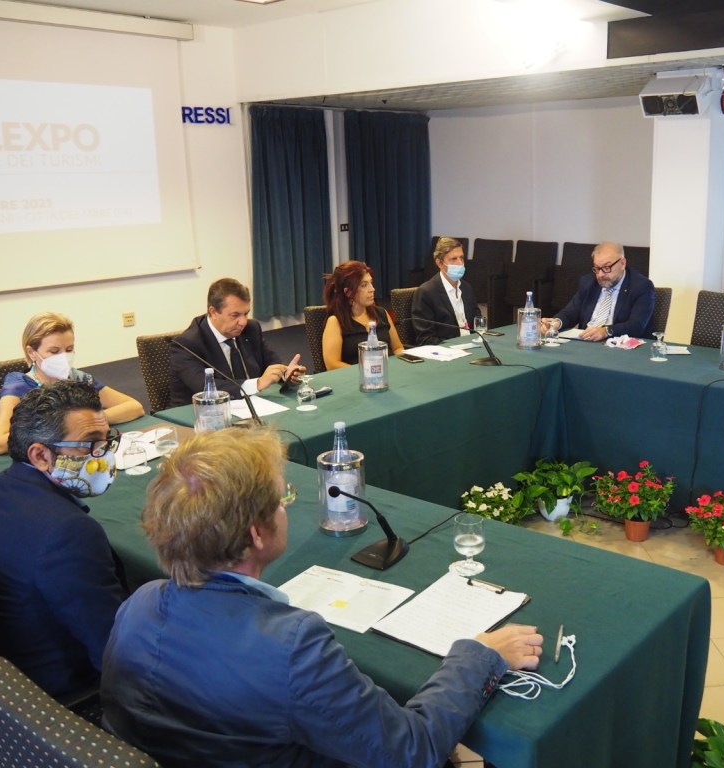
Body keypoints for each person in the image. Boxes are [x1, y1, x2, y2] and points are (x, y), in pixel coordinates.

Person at [101, 427, 542, 768]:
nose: (286, 508)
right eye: (281, 499)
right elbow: (411, 751)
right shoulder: (291, 645)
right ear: (256, 534)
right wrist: (480, 655)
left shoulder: (139, 603)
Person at [0, 381, 127, 701]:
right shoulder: (68, 532)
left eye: (107, 440)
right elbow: (115, 652)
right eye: (90, 444)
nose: (104, 455)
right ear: (41, 455)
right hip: (56, 702)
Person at [0, 311, 144, 454]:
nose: (64, 357)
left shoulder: (76, 377)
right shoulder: (19, 385)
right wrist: (64, 429)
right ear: (32, 353)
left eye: (69, 349)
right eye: (54, 351)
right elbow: (0, 443)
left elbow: (134, 407)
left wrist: (90, 422)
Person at [169, 278, 305, 407]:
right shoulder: (187, 344)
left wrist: (286, 374)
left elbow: (271, 363)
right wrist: (257, 384)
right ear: (213, 312)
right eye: (235, 315)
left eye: (246, 314)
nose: (243, 322)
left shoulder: (250, 329)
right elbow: (205, 388)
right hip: (201, 414)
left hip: (251, 406)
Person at [544, 241, 655, 341]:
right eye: (597, 268)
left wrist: (606, 331)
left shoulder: (641, 286)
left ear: (622, 263)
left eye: (607, 268)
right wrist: (556, 322)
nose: (601, 274)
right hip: (585, 341)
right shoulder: (588, 282)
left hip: (617, 345)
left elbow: (637, 325)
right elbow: (571, 312)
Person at [321, 260, 405, 369]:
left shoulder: (382, 313)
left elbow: (398, 348)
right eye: (364, 285)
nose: (372, 289)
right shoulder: (335, 322)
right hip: (355, 376)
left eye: (371, 283)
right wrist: (368, 371)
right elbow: (332, 364)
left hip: (389, 372)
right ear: (348, 292)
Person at [412, 237, 480, 345]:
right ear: (439, 263)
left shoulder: (467, 288)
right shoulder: (426, 293)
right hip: (448, 350)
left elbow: (478, 323)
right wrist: (456, 347)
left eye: (461, 258)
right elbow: (425, 339)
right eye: (454, 259)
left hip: (473, 345)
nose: (460, 263)